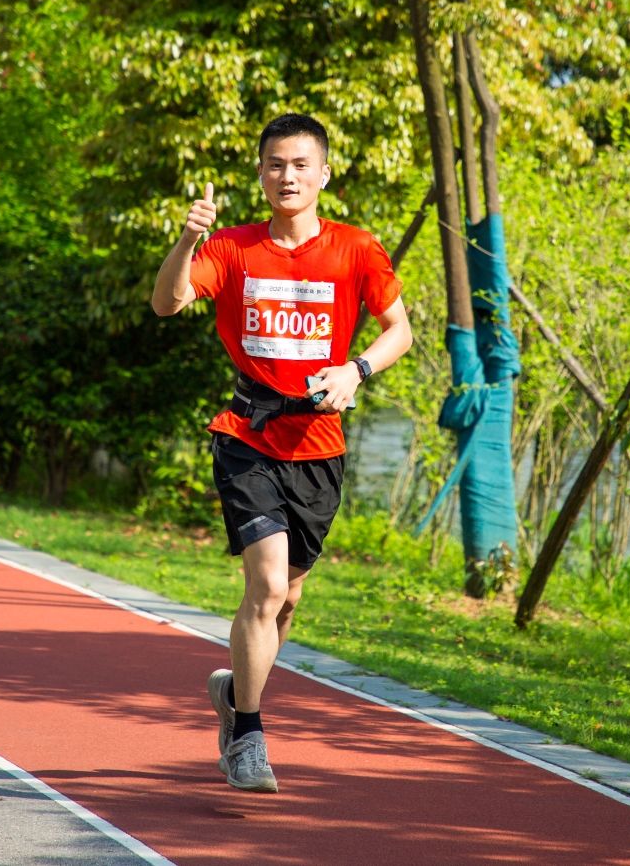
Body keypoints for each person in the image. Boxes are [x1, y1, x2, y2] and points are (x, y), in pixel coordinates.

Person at [150, 112, 413, 792]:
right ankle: (248, 738)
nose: (287, 175)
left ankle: (236, 694)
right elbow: (165, 303)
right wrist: (186, 240)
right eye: (275, 164)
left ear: (323, 174)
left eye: (300, 164)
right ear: (261, 173)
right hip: (248, 435)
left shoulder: (356, 249)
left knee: (288, 602)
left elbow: (399, 330)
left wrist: (357, 371)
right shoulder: (233, 248)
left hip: (320, 446)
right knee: (264, 587)